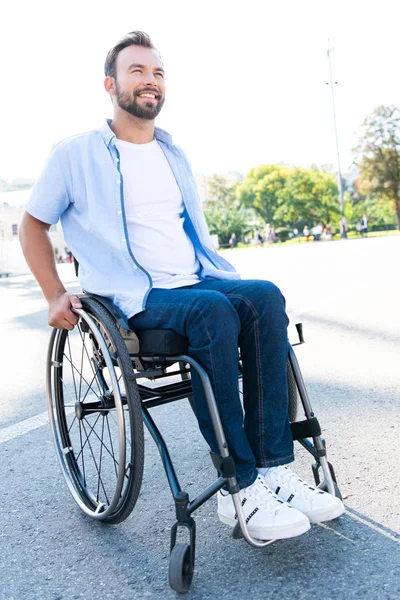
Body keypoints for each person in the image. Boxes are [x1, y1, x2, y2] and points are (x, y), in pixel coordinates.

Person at [19, 31, 344, 542]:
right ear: (111, 84)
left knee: (263, 296)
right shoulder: (75, 155)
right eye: (137, 72)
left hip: (193, 281)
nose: (150, 81)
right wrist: (54, 293)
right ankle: (240, 484)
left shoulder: (173, 154)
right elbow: (32, 223)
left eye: (158, 73)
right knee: (212, 311)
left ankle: (275, 469)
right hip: (133, 299)